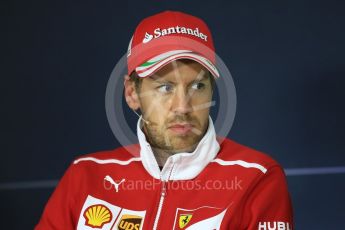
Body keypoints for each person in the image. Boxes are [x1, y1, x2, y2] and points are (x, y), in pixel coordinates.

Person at [36, 10, 293, 230]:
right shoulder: (85, 175)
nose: (182, 107)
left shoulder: (256, 178)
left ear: (212, 91)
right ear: (132, 93)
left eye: (197, 86)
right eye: (164, 88)